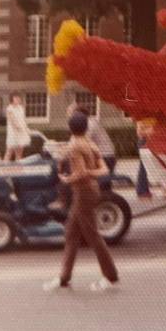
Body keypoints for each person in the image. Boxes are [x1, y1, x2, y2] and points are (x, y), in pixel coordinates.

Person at [44, 110, 119, 292]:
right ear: (86, 127)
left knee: (92, 235)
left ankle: (110, 276)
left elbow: (79, 173)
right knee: (71, 233)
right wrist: (89, 173)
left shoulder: (75, 146)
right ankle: (64, 277)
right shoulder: (89, 143)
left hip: (82, 193)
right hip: (91, 190)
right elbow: (103, 170)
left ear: (70, 127)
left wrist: (65, 179)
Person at [5, 93, 31, 161]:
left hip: (22, 131)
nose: (17, 99)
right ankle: (3, 166)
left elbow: (23, 119)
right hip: (13, 132)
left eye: (18, 98)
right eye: (15, 98)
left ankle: (18, 166)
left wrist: (26, 128)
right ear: (12, 99)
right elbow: (11, 120)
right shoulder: (9, 108)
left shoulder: (21, 108)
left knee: (19, 152)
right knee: (9, 151)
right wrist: (17, 127)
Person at [135, 120, 153, 199]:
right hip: (144, 141)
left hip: (147, 141)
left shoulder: (148, 119)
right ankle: (142, 191)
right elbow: (139, 132)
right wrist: (150, 132)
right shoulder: (142, 119)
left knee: (146, 167)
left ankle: (144, 190)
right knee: (144, 167)